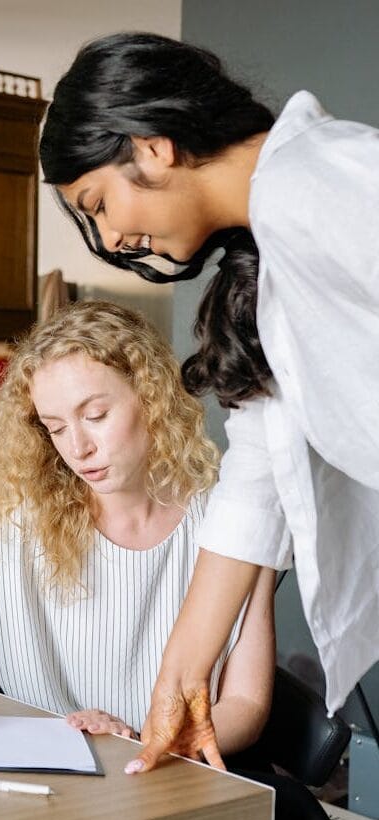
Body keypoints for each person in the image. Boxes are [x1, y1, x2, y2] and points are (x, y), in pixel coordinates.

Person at [38, 31, 379, 774]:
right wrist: (180, 685)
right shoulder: (268, 254)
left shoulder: (323, 180)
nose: (114, 234)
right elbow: (254, 487)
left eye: (98, 203)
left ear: (152, 147)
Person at [0, 300, 275, 760]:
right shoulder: (21, 519)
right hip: (44, 777)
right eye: (56, 428)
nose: (78, 448)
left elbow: (247, 704)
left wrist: (148, 743)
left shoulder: (233, 520)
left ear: (151, 397)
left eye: (96, 416)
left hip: (171, 778)